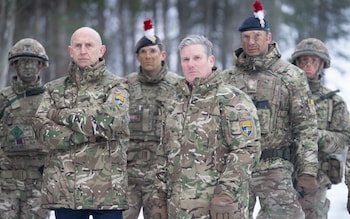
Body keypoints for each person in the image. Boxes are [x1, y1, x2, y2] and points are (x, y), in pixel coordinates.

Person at [221, 1, 319, 218]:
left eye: (257, 36)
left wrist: (308, 170)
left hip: (274, 166)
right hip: (235, 168)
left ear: (268, 37)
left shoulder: (291, 76)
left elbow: (307, 127)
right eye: (246, 37)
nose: (251, 42)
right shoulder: (226, 79)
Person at [153, 34, 261, 219]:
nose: (190, 64)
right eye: (185, 59)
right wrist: (159, 197)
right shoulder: (173, 102)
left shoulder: (232, 100)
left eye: (197, 58)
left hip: (219, 208)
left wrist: (226, 193)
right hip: (178, 209)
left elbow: (247, 150)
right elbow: (163, 153)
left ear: (210, 60)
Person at [32, 27, 129, 219]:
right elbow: (41, 131)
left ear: (101, 50)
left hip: (107, 192)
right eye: (78, 45)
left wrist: (59, 115)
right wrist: (89, 135)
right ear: (70, 51)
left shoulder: (117, 86)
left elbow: (107, 123)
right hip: (65, 192)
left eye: (89, 45)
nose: (83, 50)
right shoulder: (53, 89)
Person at [124, 19, 182, 219]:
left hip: (161, 174)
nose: (148, 56)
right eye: (143, 52)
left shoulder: (178, 86)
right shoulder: (125, 86)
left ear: (162, 55)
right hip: (128, 173)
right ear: (138, 56)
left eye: (153, 51)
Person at [291, 38, 350, 219]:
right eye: (304, 61)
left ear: (322, 64)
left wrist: (316, 136)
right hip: (282, 176)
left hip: (317, 180)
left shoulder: (333, 102)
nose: (308, 65)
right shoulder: (284, 96)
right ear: (296, 64)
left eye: (313, 61)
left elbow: (345, 140)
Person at [0, 38, 50, 219]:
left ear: (41, 65)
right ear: (15, 64)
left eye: (33, 62)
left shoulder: (51, 100)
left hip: (37, 183)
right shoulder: (3, 99)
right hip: (6, 184)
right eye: (23, 62)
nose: (28, 66)